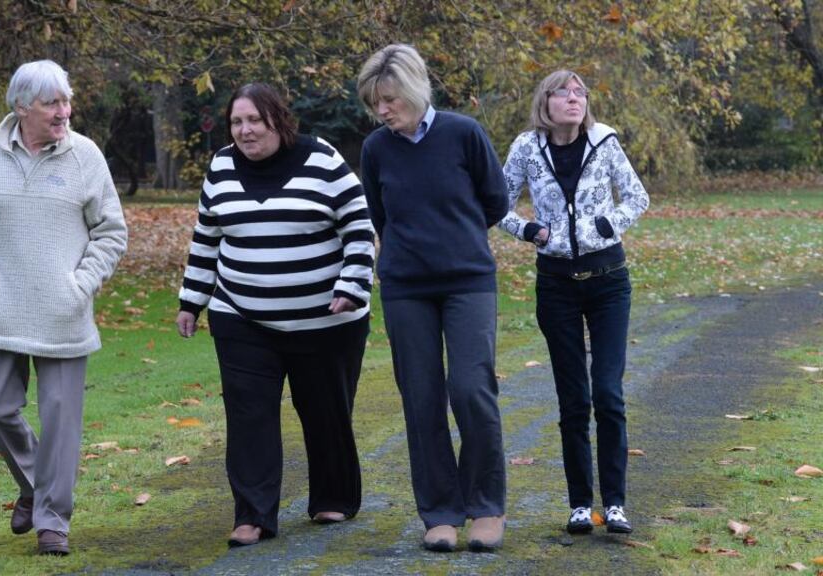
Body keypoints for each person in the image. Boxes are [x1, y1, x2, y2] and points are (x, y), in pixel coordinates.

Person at [0, 60, 128, 556]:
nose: (64, 112)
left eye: (66, 101)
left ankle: (53, 522)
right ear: (21, 107)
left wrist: (78, 285)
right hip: (1, 312)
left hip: (64, 314)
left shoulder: (85, 156)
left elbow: (112, 232)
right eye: (51, 104)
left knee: (61, 422)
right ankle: (35, 485)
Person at [175, 83, 375, 547]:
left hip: (326, 321)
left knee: (326, 413)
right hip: (241, 316)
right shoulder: (221, 165)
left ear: (278, 120)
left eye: (254, 121)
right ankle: (253, 515)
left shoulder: (322, 160)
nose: (245, 131)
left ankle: (334, 498)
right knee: (249, 417)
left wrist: (351, 286)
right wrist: (192, 301)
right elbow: (207, 238)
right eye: (236, 122)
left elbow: (360, 228)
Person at [356, 44, 509, 553]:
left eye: (391, 99)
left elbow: (496, 200)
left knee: (470, 389)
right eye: (375, 102)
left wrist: (456, 239)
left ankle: (486, 506)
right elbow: (382, 215)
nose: (383, 111)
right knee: (421, 398)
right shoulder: (377, 148)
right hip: (405, 288)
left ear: (416, 91)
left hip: (468, 282)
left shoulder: (464, 133)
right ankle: (440, 513)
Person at [499, 69, 649, 535]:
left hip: (608, 280)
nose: (573, 98)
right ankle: (581, 504)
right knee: (573, 398)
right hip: (556, 284)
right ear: (545, 102)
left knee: (607, 392)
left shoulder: (604, 141)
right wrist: (526, 229)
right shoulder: (526, 147)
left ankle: (617, 504)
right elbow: (496, 202)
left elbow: (637, 197)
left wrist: (608, 225)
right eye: (563, 92)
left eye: (580, 91)